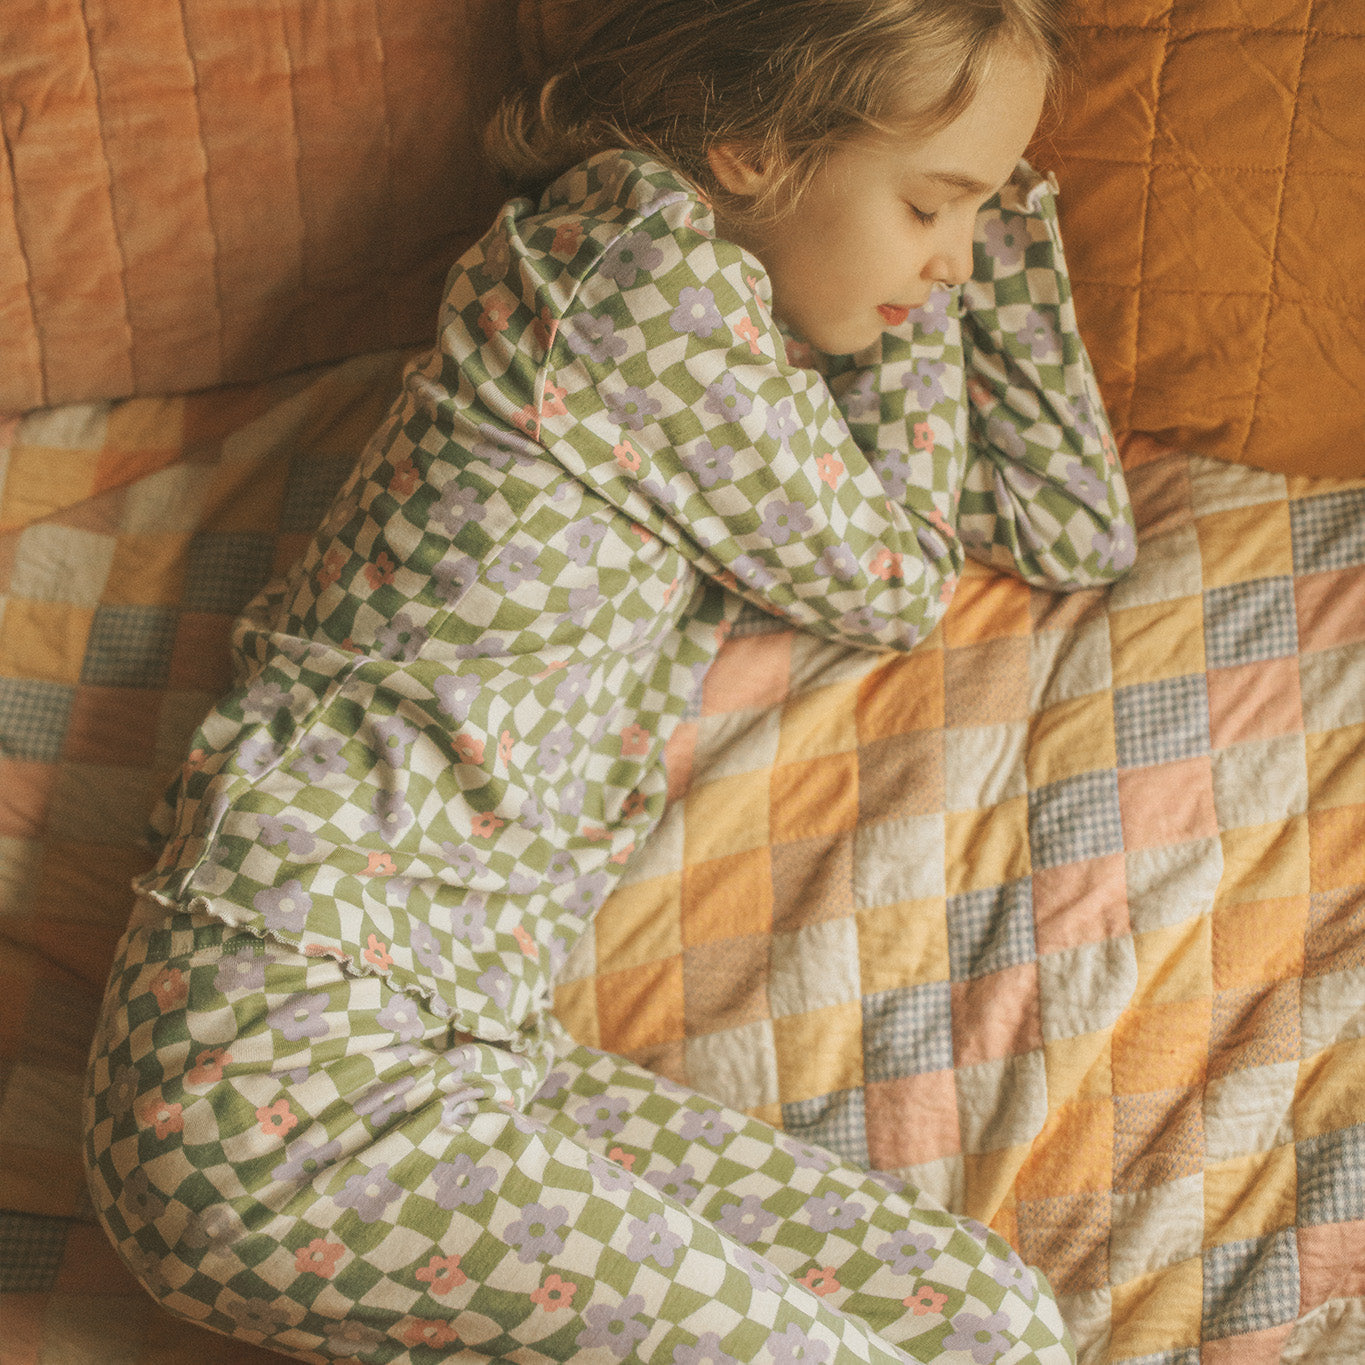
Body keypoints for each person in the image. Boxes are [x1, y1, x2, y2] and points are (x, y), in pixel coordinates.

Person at [83, 0, 1135, 1360]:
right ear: (750, 148)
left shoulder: (729, 343)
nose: (951, 259)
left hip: (460, 1050)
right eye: (929, 207)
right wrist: (916, 304)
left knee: (987, 1320)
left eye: (973, 215)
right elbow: (892, 580)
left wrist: (982, 213)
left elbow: (1072, 529)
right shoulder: (624, 271)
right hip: (280, 1066)